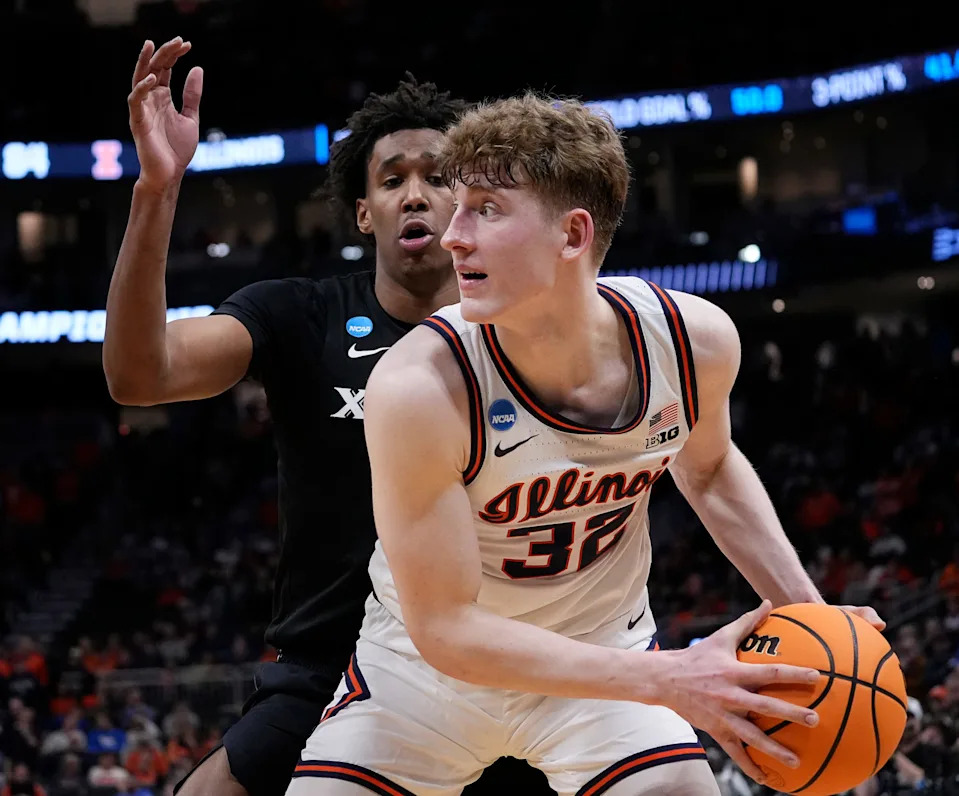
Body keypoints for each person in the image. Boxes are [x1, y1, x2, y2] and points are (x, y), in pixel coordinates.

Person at [288, 94, 885, 795]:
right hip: (422, 678)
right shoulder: (419, 384)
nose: (453, 236)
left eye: (485, 209)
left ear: (572, 236)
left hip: (601, 655)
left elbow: (711, 468)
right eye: (460, 209)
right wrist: (669, 677)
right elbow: (445, 628)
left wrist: (810, 617)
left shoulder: (692, 341)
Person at [104, 36, 548, 796]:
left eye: (438, 178)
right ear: (363, 213)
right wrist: (156, 191)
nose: (414, 194)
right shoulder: (298, 314)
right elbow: (141, 376)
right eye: (392, 180)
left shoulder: (533, 331)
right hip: (327, 665)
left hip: (496, 665)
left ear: (471, 205)